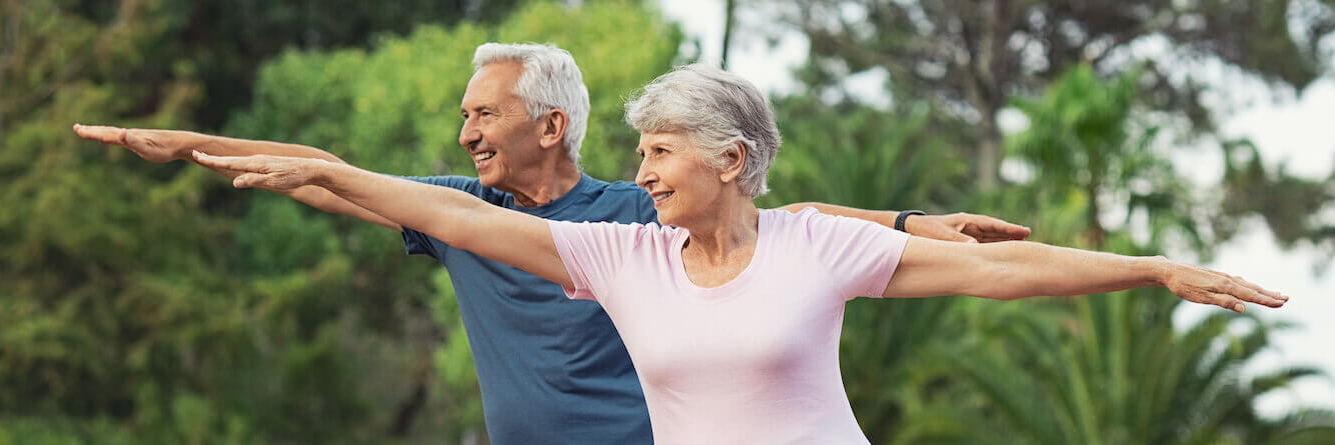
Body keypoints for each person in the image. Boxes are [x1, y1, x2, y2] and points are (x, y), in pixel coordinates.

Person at [185, 63, 1288, 444]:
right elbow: (470, 219)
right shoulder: (624, 257)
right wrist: (316, 166)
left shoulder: (816, 245)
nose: (647, 170)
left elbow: (1001, 271)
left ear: (730, 158)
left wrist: (1150, 269)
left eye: (661, 151)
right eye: (640, 153)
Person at [73, 43, 1032, 443]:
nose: (466, 135)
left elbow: (788, 224)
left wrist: (907, 225)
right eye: (463, 117)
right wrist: (190, 146)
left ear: (551, 126)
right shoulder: (458, 215)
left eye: (484, 114)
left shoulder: (635, 217)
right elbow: (326, 165)